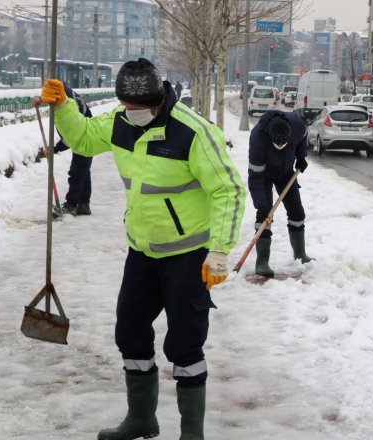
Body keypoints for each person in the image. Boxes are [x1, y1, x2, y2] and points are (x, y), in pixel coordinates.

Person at [40, 57, 245, 440]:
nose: (130, 114)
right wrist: (64, 106)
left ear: (158, 100)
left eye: (138, 108)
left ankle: (191, 433)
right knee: (130, 333)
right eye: (126, 107)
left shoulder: (192, 132)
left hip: (189, 256)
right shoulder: (119, 123)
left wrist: (219, 249)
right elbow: (83, 138)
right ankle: (141, 419)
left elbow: (228, 190)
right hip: (142, 252)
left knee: (185, 344)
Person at [247, 109, 312, 277]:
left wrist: (301, 156)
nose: (280, 146)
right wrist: (261, 205)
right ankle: (262, 261)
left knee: (297, 211)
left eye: (284, 144)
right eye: (277, 144)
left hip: (285, 173)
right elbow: (255, 178)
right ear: (270, 138)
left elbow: (303, 137)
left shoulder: (296, 126)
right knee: (264, 215)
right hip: (264, 175)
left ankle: (300, 254)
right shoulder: (258, 139)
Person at [34, 86, 95, 216]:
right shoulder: (63, 94)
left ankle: (71, 205)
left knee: (77, 172)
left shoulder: (70, 109)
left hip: (85, 136)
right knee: (83, 170)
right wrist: (40, 100)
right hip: (85, 135)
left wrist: (55, 148)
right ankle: (84, 204)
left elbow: (71, 136)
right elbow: (52, 97)